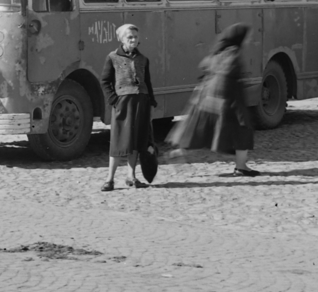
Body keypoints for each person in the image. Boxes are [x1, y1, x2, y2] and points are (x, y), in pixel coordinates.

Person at [170, 23, 259, 176]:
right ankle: (241, 166)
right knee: (243, 130)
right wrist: (236, 106)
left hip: (206, 99)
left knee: (201, 132)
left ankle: (179, 153)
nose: (249, 40)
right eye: (247, 37)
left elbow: (207, 71)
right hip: (226, 100)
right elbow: (227, 81)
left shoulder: (218, 53)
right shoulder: (233, 54)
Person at [99, 24, 156, 191]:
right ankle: (109, 179)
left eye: (135, 37)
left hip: (141, 102)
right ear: (121, 39)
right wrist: (114, 100)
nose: (133, 40)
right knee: (118, 141)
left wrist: (151, 101)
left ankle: (131, 176)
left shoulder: (143, 59)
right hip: (122, 104)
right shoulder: (112, 57)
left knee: (137, 141)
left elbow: (148, 82)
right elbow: (105, 81)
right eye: (129, 37)